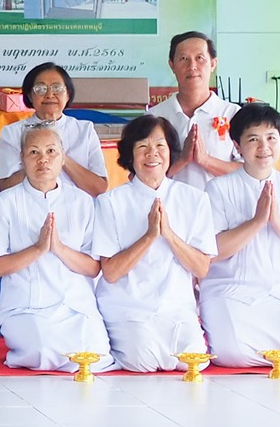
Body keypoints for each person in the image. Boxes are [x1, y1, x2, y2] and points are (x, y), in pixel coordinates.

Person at [200, 103, 280, 369]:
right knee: (232, 355)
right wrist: (257, 221)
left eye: (271, 138)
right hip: (230, 290)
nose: (264, 147)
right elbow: (211, 252)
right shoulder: (217, 189)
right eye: (253, 139)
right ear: (237, 146)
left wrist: (277, 222)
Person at [0, 124, 114, 372]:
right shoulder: (5, 202)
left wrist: (59, 248)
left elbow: (93, 267)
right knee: (44, 351)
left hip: (75, 306)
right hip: (26, 307)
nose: (43, 159)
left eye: (51, 151)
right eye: (34, 152)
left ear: (63, 158)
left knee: (94, 354)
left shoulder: (82, 201)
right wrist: (38, 249)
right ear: (22, 159)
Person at [92, 115, 215, 372]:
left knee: (193, 361)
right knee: (142, 360)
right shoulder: (111, 202)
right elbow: (111, 272)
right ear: (130, 155)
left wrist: (168, 234)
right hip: (128, 306)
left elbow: (202, 268)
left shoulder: (194, 199)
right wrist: (149, 236)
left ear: (171, 152)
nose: (152, 154)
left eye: (160, 145)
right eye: (142, 147)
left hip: (176, 307)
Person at [0, 61, 109, 196]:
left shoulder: (85, 130)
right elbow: (6, 188)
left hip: (76, 206)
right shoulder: (12, 133)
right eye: (40, 89)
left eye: (57, 88)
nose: (49, 94)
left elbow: (99, 189)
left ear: (68, 94)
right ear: (30, 96)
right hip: (28, 205)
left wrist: (59, 157)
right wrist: (35, 161)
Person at [149, 31, 237, 191]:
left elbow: (249, 172)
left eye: (200, 58)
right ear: (172, 65)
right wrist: (182, 160)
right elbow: (143, 175)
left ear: (213, 64)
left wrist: (205, 160)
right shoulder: (154, 116)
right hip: (169, 205)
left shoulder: (233, 114)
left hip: (219, 205)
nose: (192, 66)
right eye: (183, 59)